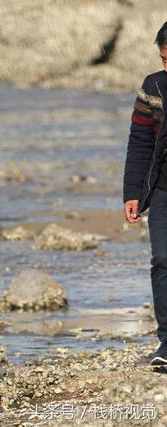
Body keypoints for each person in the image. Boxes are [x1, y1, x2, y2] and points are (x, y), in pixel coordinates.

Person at [123, 21, 167, 366]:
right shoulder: (153, 86)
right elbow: (140, 143)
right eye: (164, 59)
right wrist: (132, 193)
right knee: (162, 261)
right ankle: (166, 342)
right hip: (163, 190)